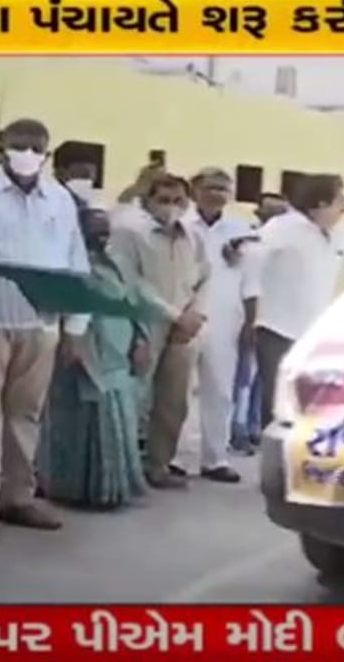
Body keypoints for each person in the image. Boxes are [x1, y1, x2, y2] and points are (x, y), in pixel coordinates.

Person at [0, 118, 88, 540]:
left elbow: (74, 259)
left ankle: (17, 497)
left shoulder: (59, 198)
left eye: (36, 147)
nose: (27, 153)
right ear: (2, 147)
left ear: (47, 153)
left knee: (26, 415)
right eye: (18, 144)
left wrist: (76, 324)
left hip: (41, 323)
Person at [41, 206, 163, 508]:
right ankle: (72, 488)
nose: (102, 236)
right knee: (78, 418)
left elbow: (134, 299)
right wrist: (72, 341)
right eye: (94, 230)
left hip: (118, 348)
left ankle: (111, 489)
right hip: (82, 346)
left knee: (116, 417)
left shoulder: (117, 263)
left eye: (105, 230)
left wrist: (141, 339)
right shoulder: (64, 263)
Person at [108, 170, 209, 489]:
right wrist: (174, 315)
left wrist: (195, 314)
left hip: (184, 329)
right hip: (143, 322)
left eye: (178, 200)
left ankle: (158, 464)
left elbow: (206, 277)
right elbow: (131, 282)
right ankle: (123, 468)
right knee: (135, 398)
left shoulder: (193, 236)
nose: (171, 206)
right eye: (163, 199)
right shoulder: (129, 232)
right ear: (148, 200)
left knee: (174, 401)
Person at [173, 168, 255, 483]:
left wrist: (251, 320)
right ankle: (177, 457)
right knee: (178, 389)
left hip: (225, 318)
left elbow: (252, 280)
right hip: (184, 314)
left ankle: (215, 458)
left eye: (223, 188)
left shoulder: (241, 230)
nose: (217, 194)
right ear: (195, 190)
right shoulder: (180, 224)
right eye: (210, 187)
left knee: (220, 389)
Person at [252, 174, 344, 431]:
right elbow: (249, 255)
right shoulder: (283, 227)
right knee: (277, 403)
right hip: (277, 328)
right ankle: (272, 452)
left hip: (313, 334)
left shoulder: (338, 235)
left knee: (309, 403)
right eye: (339, 201)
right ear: (319, 203)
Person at [230, 191, 290, 452]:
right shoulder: (250, 242)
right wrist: (250, 320)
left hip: (275, 319)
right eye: (271, 212)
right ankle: (238, 428)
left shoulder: (283, 245)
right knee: (245, 378)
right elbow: (250, 285)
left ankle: (254, 427)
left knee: (263, 382)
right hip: (251, 314)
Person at [53, 142, 98, 209]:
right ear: (60, 173)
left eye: (93, 177)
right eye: (84, 175)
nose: (90, 182)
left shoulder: (83, 205)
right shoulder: (49, 204)